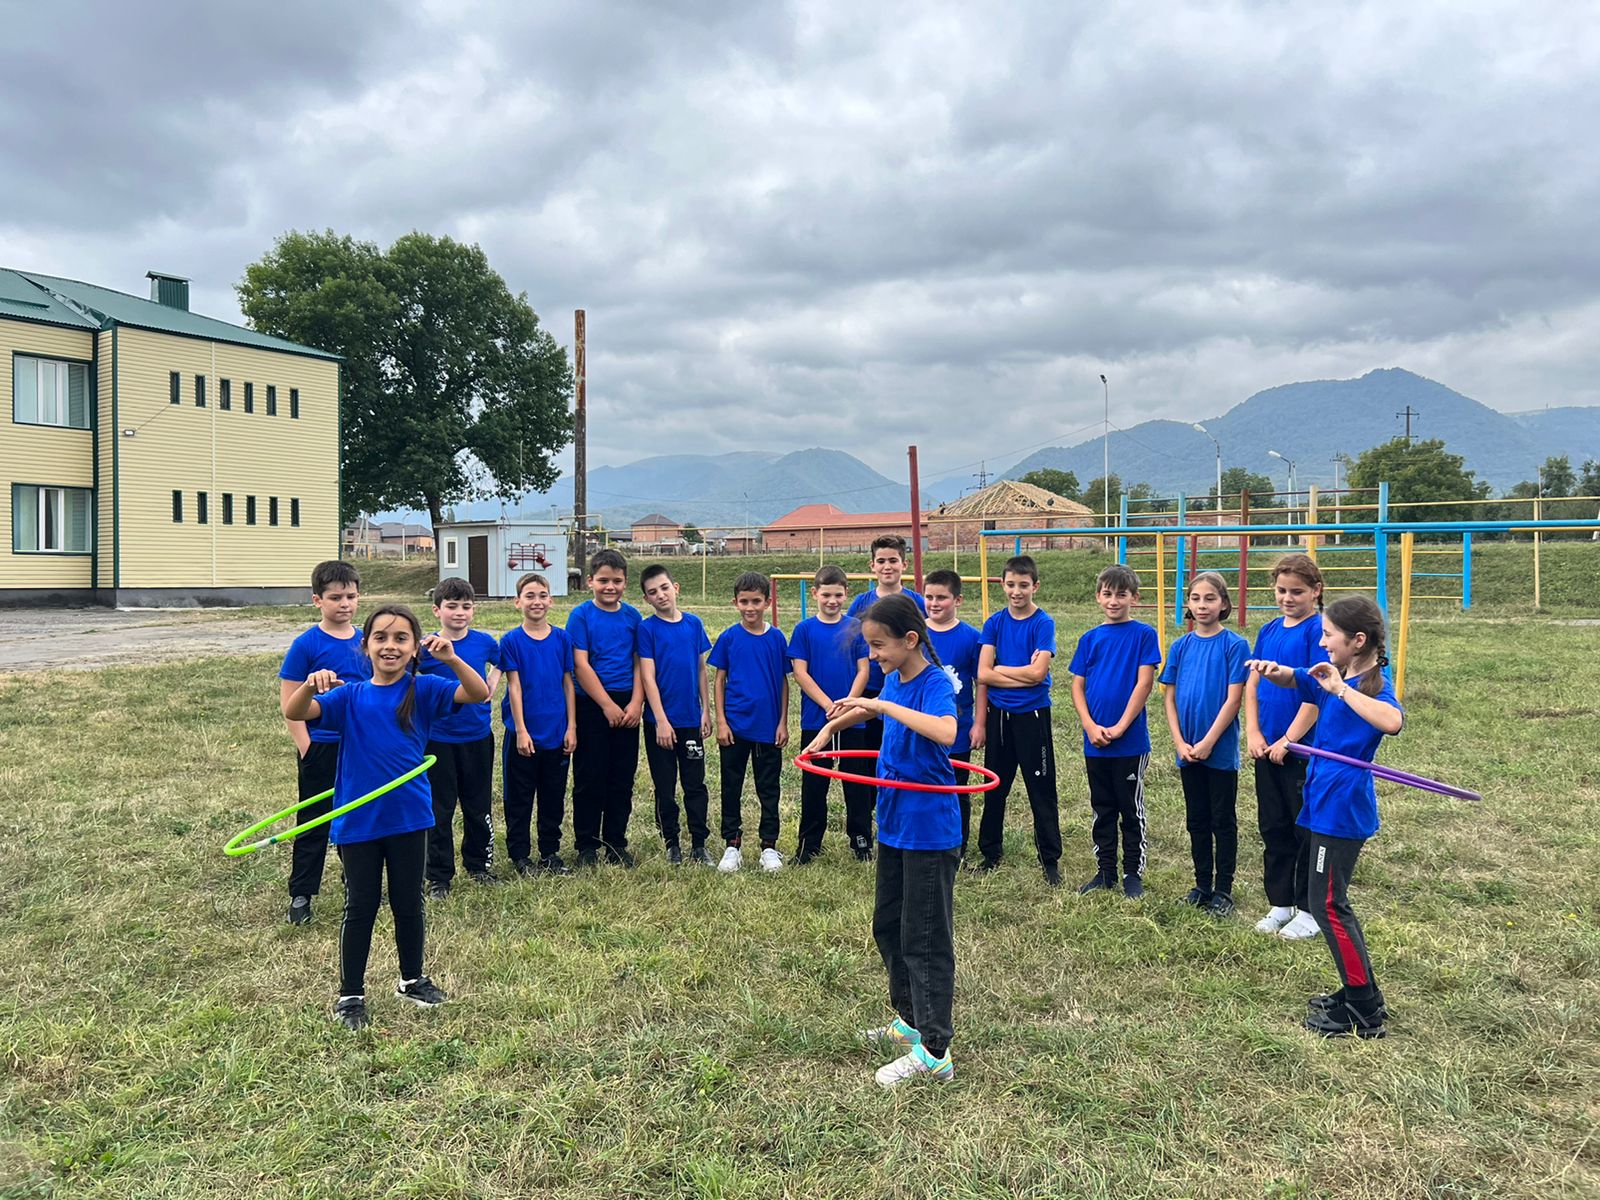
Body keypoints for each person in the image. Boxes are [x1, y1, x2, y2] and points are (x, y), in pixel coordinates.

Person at [282, 604, 492, 1031]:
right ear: (366, 646)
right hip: (359, 821)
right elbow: (296, 712)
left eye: (401, 638)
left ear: (415, 648)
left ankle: (411, 980)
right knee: (360, 906)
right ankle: (351, 995)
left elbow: (477, 693)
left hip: (409, 817)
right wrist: (308, 685)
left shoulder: (425, 688)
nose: (390, 646)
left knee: (408, 902)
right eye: (380, 637)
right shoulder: (350, 695)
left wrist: (453, 659)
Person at [804, 594, 959, 1088]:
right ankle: (910, 1020)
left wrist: (883, 703)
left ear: (910, 640)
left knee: (925, 938)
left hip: (928, 829)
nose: (873, 656)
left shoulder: (934, 683)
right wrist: (831, 728)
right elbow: (871, 712)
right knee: (888, 925)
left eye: (879, 646)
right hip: (893, 822)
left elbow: (946, 732)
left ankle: (935, 1051)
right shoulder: (894, 679)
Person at [1247, 595, 1403, 1039]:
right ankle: (1360, 991)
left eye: (1329, 635)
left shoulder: (1369, 684)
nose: (1322, 642)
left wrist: (1340, 690)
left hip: (1341, 809)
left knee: (1329, 906)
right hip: (1320, 801)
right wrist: (1272, 671)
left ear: (1358, 640)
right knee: (1327, 903)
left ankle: (1364, 1009)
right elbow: (1295, 678)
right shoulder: (1335, 674)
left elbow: (1392, 721)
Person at [277, 560, 371, 926]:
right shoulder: (306, 645)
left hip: (361, 747)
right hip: (321, 746)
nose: (344, 604)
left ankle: (357, 881)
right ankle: (302, 893)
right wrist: (307, 747)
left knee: (359, 816)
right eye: (335, 597)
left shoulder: (366, 641)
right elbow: (290, 704)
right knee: (314, 820)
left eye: (351, 596)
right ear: (317, 600)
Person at [1244, 553, 1329, 939]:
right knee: (1273, 826)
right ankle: (1280, 904)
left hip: (1303, 751)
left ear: (1316, 591)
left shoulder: (1318, 632)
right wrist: (1254, 732)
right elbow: (1253, 682)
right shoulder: (1268, 630)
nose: (1287, 598)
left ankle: (1309, 910)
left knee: (1303, 830)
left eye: (1297, 591)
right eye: (1281, 590)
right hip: (1266, 748)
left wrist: (1288, 739)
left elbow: (1316, 693)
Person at [1159, 572, 1250, 918]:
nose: (1202, 605)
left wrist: (1209, 741)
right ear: (1188, 603)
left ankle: (1223, 890)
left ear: (1224, 603)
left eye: (1210, 598)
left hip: (1219, 752)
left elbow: (1233, 699)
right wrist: (1180, 742)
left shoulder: (1235, 645)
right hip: (1187, 750)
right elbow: (1169, 697)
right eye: (1196, 598)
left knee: (1222, 821)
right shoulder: (1180, 646)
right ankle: (1202, 885)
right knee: (1196, 819)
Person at [1069, 563, 1162, 898]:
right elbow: (1077, 686)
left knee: (1130, 810)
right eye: (1107, 594)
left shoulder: (1144, 635)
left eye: (1121, 594)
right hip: (1095, 742)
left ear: (1134, 598)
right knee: (1102, 808)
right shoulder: (1089, 639)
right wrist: (1089, 725)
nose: (1113, 601)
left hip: (1129, 743)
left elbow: (1144, 684)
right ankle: (1105, 871)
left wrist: (1121, 726)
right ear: (1098, 596)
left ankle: (1132, 873)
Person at [975, 555, 1063, 885]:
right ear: (1002, 585)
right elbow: (983, 673)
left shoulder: (1043, 623)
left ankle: (1050, 860)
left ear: (1034, 586)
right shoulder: (994, 623)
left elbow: (1039, 674)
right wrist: (1021, 673)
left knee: (1041, 789)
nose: (1016, 591)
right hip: (999, 716)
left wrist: (1002, 669)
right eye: (1011, 584)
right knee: (995, 788)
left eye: (1023, 585)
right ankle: (990, 853)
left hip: (1033, 715)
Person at [418, 578, 502, 898]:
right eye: (451, 606)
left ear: (474, 610)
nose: (459, 612)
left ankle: (479, 866)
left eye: (466, 606)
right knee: (439, 810)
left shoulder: (484, 642)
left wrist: (492, 680)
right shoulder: (427, 647)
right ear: (436, 610)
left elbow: (503, 660)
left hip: (477, 736)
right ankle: (439, 876)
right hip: (437, 740)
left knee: (478, 805)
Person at [788, 564, 872, 863]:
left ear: (846, 593)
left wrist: (848, 703)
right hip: (816, 719)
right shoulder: (804, 629)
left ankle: (861, 841)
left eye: (838, 595)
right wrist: (827, 705)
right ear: (815, 594)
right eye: (826, 595)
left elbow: (864, 669)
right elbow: (800, 672)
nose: (832, 600)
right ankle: (809, 845)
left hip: (851, 719)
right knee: (814, 785)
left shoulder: (856, 627)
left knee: (857, 783)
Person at [567, 549, 644, 867]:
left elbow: (641, 663)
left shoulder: (633, 617)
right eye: (603, 580)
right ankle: (586, 845)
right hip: (591, 704)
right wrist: (606, 705)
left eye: (617, 581)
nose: (610, 586)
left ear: (625, 582)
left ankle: (616, 843)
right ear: (590, 582)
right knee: (590, 776)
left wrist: (636, 702)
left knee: (621, 777)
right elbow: (580, 665)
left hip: (627, 705)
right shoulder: (581, 616)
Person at [710, 571, 791, 872]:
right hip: (735, 728)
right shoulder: (729, 637)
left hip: (768, 729)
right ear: (735, 603)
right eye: (744, 601)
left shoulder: (776, 638)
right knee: (731, 786)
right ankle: (732, 845)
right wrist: (721, 721)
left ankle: (769, 846)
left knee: (769, 788)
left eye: (756, 601)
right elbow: (719, 680)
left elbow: (783, 682)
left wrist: (782, 722)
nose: (750, 607)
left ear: (767, 602)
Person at [499, 572, 577, 877]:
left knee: (552, 796)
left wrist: (571, 726)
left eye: (542, 595)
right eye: (529, 596)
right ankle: (520, 855)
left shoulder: (562, 639)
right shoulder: (511, 641)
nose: (537, 601)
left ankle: (550, 852)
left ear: (551, 600)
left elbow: (567, 683)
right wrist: (521, 730)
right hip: (524, 735)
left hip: (556, 732)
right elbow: (514, 686)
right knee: (519, 797)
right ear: (517, 602)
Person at [637, 564, 713, 866]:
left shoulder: (693, 624)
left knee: (695, 784)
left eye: (664, 588)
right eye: (653, 592)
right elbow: (648, 677)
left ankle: (699, 844)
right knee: (665, 786)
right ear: (646, 599)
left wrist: (706, 710)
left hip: (691, 721)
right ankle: (672, 843)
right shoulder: (647, 629)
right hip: (660, 724)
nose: (660, 595)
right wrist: (661, 720)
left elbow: (701, 669)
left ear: (676, 588)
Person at [923, 568, 986, 861]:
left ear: (958, 600)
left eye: (942, 598)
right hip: (921, 727)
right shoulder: (915, 634)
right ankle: (925, 841)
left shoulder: (971, 637)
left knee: (956, 788)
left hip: (958, 729)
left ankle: (956, 847)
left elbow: (981, 682)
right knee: (922, 785)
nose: (934, 603)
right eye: (929, 597)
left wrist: (979, 724)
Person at [847, 535, 926, 755]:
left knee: (903, 746)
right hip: (871, 685)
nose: (887, 566)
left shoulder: (917, 603)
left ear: (904, 564)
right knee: (872, 751)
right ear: (872, 565)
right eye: (881, 561)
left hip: (906, 687)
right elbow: (849, 641)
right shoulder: (861, 603)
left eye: (893, 560)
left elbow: (928, 641)